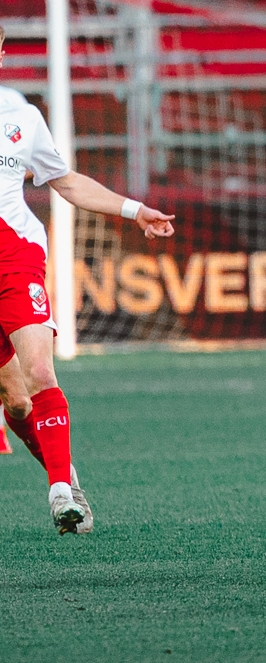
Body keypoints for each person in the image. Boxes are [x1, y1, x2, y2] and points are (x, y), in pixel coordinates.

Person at [0, 40, 174, 533]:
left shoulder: (20, 117)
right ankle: (64, 472)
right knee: (15, 401)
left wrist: (134, 210)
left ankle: (61, 492)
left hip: (15, 257)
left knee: (39, 370)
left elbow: (66, 181)